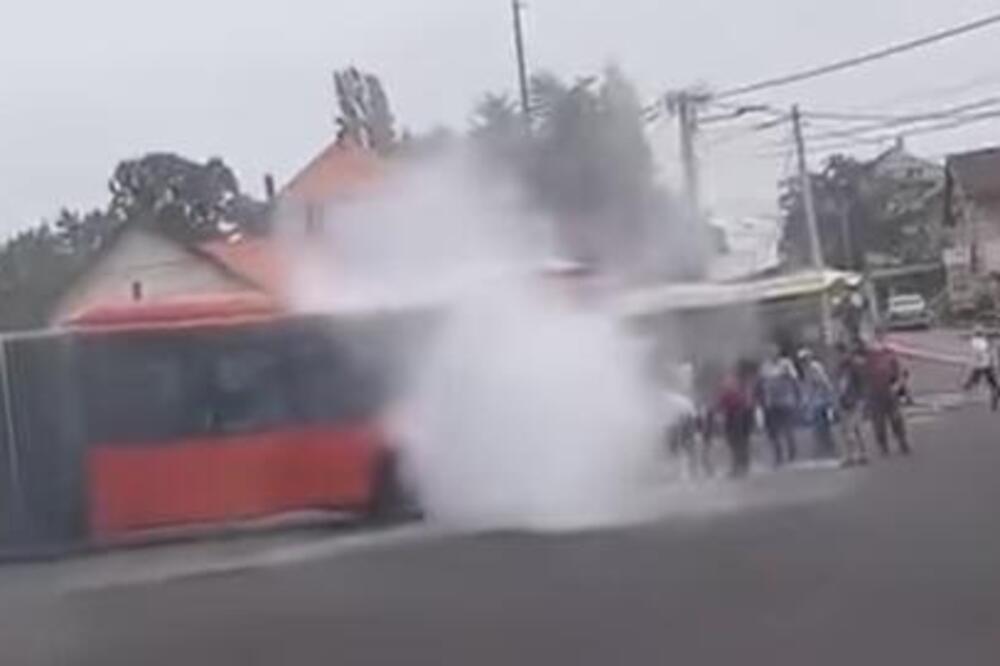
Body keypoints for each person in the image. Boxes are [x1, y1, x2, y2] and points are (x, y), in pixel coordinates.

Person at [865, 330, 912, 456]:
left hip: (890, 391)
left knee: (896, 418)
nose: (878, 342)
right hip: (875, 392)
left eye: (881, 338)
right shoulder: (868, 356)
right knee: (878, 422)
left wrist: (898, 387)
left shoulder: (890, 354)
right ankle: (883, 446)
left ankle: (902, 442)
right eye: (876, 338)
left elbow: (901, 372)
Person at [757, 344, 800, 466]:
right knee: (772, 431)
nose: (771, 354)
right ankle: (778, 455)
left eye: (773, 351)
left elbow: (794, 380)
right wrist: (761, 399)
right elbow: (761, 383)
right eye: (769, 352)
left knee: (787, 428)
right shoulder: (765, 366)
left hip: (785, 400)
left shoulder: (786, 364)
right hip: (770, 402)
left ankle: (792, 452)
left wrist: (797, 395)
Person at [717, 360, 757, 478]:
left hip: (737, 413)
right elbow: (723, 398)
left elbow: (739, 399)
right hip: (733, 412)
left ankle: (740, 466)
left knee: (738, 440)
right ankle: (741, 465)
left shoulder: (737, 383)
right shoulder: (734, 382)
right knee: (736, 441)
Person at [798, 348, 838, 459]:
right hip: (815, 401)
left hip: (821, 400)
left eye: (804, 359)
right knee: (818, 427)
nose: (803, 362)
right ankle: (823, 449)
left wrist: (829, 396)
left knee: (822, 426)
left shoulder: (815, 367)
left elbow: (823, 381)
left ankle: (829, 449)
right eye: (802, 360)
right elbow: (809, 386)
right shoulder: (807, 370)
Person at [836, 343, 869, 467]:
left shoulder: (854, 366)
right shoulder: (841, 367)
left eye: (841, 353)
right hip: (845, 401)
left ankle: (853, 456)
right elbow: (839, 385)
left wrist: (862, 400)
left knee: (850, 429)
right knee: (852, 429)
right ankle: (861, 454)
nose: (840, 356)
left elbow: (862, 384)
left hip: (855, 401)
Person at [963, 325, 999, 411]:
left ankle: (968, 385)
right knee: (993, 384)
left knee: (974, 381)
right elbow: (987, 349)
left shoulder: (975, 341)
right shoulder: (980, 342)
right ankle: (994, 398)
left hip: (979, 366)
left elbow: (987, 349)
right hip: (985, 366)